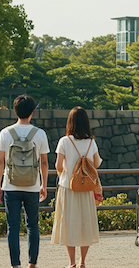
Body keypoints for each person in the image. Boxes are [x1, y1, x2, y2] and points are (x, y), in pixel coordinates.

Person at [0, 95, 49, 268]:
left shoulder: (5, 133)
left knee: (13, 226)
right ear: (32, 112)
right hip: (32, 186)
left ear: (15, 111)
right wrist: (44, 185)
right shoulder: (39, 134)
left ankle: (15, 264)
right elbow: (45, 163)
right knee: (32, 225)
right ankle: (32, 263)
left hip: (11, 185)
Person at [52, 106, 102, 268]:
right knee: (85, 223)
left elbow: (59, 165)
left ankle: (72, 262)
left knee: (69, 222)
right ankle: (82, 262)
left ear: (70, 122)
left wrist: (65, 176)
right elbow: (95, 164)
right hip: (86, 188)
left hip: (68, 187)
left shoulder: (64, 141)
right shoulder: (91, 142)